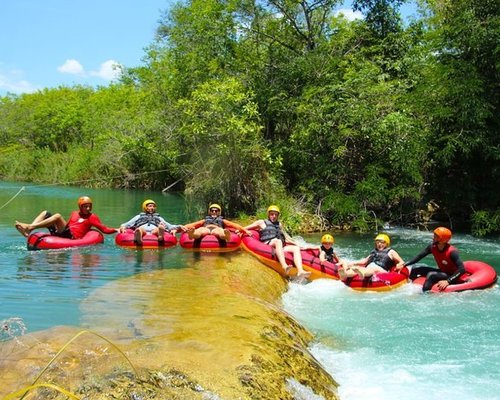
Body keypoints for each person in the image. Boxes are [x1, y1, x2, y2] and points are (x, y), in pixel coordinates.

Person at [243, 205, 311, 278]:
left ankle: (300, 271)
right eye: (272, 214)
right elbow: (246, 227)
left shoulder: (279, 224)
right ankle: (284, 266)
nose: (274, 216)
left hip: (279, 245)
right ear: (268, 214)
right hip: (268, 243)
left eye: (276, 214)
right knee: (277, 241)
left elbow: (286, 238)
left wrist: (298, 245)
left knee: (295, 248)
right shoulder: (261, 222)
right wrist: (241, 231)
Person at [15, 196, 118, 239]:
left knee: (58, 216)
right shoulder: (74, 213)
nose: (88, 208)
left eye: (89, 206)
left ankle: (29, 226)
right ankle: (29, 230)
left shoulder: (92, 217)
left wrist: (116, 229)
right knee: (45, 213)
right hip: (63, 232)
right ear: (80, 207)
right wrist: (57, 226)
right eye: (85, 206)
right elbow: (68, 225)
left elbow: (104, 229)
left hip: (71, 237)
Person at [400, 227, 466, 292]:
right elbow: (419, 256)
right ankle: (410, 287)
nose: (433, 238)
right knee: (415, 269)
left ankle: (424, 295)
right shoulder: (432, 247)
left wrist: (448, 281)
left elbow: (462, 269)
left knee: (431, 275)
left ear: (443, 240)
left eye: (436, 237)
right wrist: (404, 264)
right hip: (442, 271)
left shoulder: (452, 252)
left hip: (451, 275)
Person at [119, 199, 187, 245]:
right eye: (150, 206)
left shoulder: (159, 217)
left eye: (153, 206)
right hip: (143, 229)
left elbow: (170, 226)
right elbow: (126, 224)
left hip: (154, 230)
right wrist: (123, 227)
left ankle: (160, 236)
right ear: (145, 207)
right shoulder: (139, 216)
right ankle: (138, 238)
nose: (152, 208)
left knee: (160, 227)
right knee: (140, 229)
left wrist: (179, 226)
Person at [339, 233, 404, 280]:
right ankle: (345, 274)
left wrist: (399, 265)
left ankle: (363, 273)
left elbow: (401, 261)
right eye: (378, 242)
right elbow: (365, 261)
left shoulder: (391, 252)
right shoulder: (374, 251)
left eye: (382, 242)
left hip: (381, 270)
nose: (379, 244)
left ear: (386, 243)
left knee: (372, 269)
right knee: (356, 268)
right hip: (369, 267)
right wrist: (353, 263)